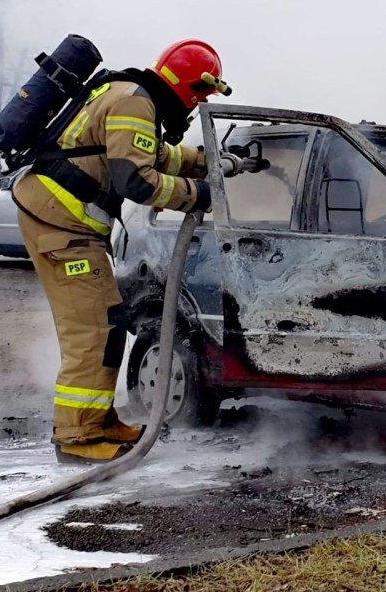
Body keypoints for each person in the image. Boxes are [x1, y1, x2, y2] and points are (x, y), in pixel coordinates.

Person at [13, 39, 228, 463]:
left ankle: (99, 420)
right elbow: (138, 182)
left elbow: (151, 154)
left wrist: (205, 161)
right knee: (93, 331)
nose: (193, 107)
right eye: (199, 97)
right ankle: (78, 438)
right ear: (190, 88)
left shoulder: (130, 97)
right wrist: (199, 193)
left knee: (108, 324)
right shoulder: (135, 104)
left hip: (64, 222)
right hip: (61, 225)